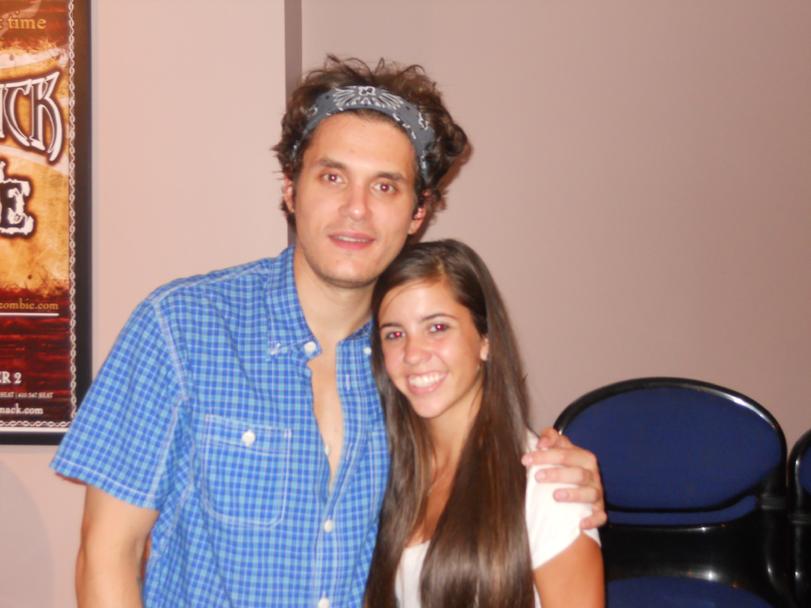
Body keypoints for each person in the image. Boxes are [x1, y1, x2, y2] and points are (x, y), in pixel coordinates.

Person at [51, 56, 605, 607]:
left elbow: (483, 472)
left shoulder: (413, 368)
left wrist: (554, 489)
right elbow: (106, 556)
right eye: (333, 176)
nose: (356, 209)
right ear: (291, 188)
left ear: (418, 212)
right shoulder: (181, 328)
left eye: (386, 187)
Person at [365, 239, 604, 607]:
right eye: (394, 335)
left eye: (437, 327)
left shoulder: (548, 485)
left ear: (485, 340)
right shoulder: (386, 472)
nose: (412, 354)